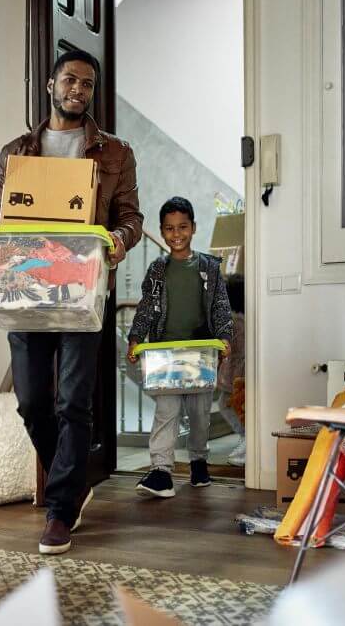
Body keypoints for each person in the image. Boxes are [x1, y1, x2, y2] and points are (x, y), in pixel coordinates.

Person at [0, 49, 143, 555]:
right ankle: (73, 486)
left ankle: (58, 509)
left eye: (88, 84)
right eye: (71, 80)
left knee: (73, 401)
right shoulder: (16, 152)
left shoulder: (115, 153)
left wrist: (118, 241)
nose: (79, 89)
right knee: (32, 400)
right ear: (51, 85)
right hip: (28, 289)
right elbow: (3, 217)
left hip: (82, 289)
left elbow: (131, 218)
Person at [127, 197, 232, 498]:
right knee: (166, 411)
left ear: (193, 228)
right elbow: (146, 307)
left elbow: (221, 308)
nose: (176, 234)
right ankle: (161, 471)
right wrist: (135, 338)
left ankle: (199, 461)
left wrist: (224, 337)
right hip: (165, 354)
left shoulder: (209, 268)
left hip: (201, 353)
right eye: (170, 229)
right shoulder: (157, 270)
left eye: (183, 227)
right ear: (161, 231)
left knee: (200, 414)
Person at [217, 274, 246, 467]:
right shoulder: (244, 320)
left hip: (234, 373)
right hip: (241, 371)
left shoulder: (232, 322)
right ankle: (246, 437)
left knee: (226, 404)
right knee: (236, 406)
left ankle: (246, 437)